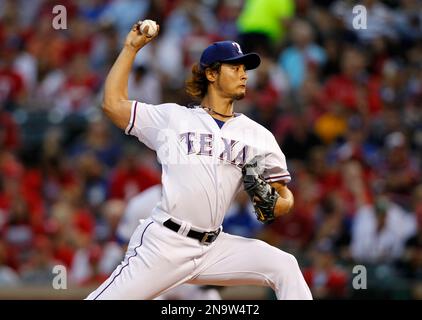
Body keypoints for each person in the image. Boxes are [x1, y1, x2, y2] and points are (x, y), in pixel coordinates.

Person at [86, 19, 312, 300]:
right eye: (235, 67)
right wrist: (131, 49)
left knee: (285, 265)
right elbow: (113, 105)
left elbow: (283, 197)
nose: (244, 74)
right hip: (166, 244)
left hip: (214, 246)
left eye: (245, 68)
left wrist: (277, 203)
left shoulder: (259, 136)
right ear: (212, 74)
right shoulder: (173, 118)